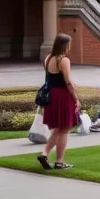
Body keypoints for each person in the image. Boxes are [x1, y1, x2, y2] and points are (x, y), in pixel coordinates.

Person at [38, 34, 80, 170]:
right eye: (69, 44)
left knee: (58, 128)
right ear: (64, 45)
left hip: (52, 95)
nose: (70, 47)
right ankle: (59, 161)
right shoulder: (64, 60)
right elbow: (67, 82)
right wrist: (77, 99)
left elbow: (54, 78)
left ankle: (44, 154)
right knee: (64, 129)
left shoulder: (48, 58)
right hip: (62, 96)